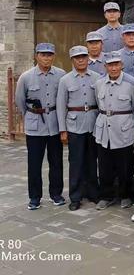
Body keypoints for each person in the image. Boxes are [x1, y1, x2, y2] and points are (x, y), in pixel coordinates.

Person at [15, 43, 66, 210]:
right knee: (34, 164)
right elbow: (20, 101)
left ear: (53, 56)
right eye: (43, 54)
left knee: (56, 162)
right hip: (35, 125)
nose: (46, 58)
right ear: (36, 56)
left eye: (49, 55)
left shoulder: (60, 75)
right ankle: (35, 197)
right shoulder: (26, 77)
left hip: (54, 124)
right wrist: (30, 116)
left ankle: (56, 194)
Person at [94, 51, 134, 210]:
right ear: (105, 66)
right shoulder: (99, 83)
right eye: (110, 65)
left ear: (122, 65)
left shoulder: (131, 83)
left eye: (116, 64)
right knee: (104, 165)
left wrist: (124, 121)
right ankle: (106, 196)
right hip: (103, 129)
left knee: (124, 165)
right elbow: (97, 104)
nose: (113, 68)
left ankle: (125, 195)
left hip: (123, 129)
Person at [56, 46, 101, 211]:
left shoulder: (97, 77)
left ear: (88, 58)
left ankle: (93, 192)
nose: (81, 60)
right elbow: (61, 107)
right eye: (77, 58)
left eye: (83, 57)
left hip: (93, 123)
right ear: (72, 60)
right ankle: (75, 196)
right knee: (76, 162)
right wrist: (63, 130)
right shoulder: (65, 80)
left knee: (92, 160)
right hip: (74, 125)